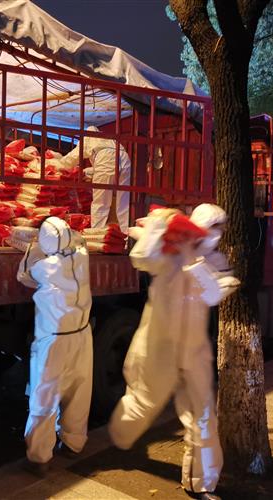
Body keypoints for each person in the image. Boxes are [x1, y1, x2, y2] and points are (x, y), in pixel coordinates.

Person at [108, 204, 239, 500]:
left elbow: (214, 294)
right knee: (143, 404)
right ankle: (119, 437)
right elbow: (141, 258)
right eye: (212, 228)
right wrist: (158, 227)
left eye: (219, 229)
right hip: (159, 348)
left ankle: (202, 484)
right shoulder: (168, 256)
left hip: (194, 353)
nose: (216, 235)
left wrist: (193, 259)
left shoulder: (214, 261)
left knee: (203, 416)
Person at [17, 216, 93, 475]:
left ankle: (39, 457)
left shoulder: (45, 268)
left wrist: (32, 246)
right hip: (82, 335)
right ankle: (74, 443)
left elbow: (23, 274)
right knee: (79, 391)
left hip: (54, 340)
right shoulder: (82, 257)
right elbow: (79, 240)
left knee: (45, 396)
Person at [61, 126, 131, 232]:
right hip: (124, 158)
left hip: (105, 158)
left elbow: (73, 157)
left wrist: (59, 164)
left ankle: (96, 234)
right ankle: (125, 236)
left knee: (101, 202)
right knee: (123, 202)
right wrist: (86, 172)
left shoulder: (89, 138)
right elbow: (106, 168)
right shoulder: (108, 139)